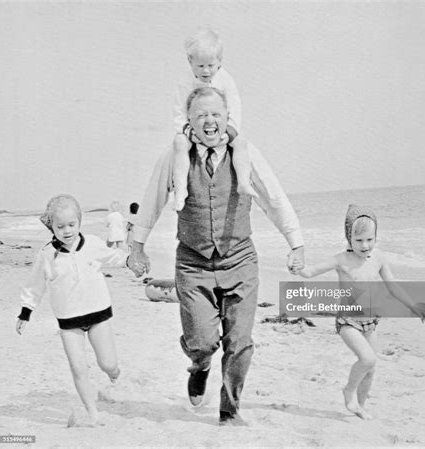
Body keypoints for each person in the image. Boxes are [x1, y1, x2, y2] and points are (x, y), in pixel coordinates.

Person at [128, 87, 305, 426]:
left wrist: (295, 242)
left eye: (215, 114)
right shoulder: (175, 155)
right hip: (193, 262)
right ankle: (199, 364)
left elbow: (273, 197)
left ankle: (229, 410)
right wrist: (137, 245)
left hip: (239, 258)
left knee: (240, 342)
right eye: (200, 115)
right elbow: (152, 198)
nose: (209, 121)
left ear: (227, 117)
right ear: (190, 120)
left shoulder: (247, 152)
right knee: (203, 342)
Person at [292, 204, 425, 420]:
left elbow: (393, 286)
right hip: (349, 322)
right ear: (348, 238)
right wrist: (297, 265)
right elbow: (309, 272)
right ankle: (348, 391)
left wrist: (413, 306)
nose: (365, 245)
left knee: (371, 369)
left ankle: (360, 407)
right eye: (358, 240)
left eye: (370, 239)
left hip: (371, 321)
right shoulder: (341, 260)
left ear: (376, 236)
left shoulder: (379, 258)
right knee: (367, 359)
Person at [15, 194, 129, 426]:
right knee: (78, 368)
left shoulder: (93, 244)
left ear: (79, 222)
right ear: (51, 227)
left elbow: (115, 256)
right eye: (60, 226)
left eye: (71, 225)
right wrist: (26, 311)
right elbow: (35, 285)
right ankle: (93, 414)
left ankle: (113, 373)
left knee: (107, 363)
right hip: (69, 322)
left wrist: (131, 261)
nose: (66, 230)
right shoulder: (47, 255)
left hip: (98, 314)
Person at [172, 28, 256, 212]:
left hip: (221, 131)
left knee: (241, 142)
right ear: (190, 61)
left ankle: (243, 182)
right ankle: (181, 190)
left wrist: (229, 134)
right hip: (195, 131)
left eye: (211, 65)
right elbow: (179, 114)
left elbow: (235, 108)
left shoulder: (226, 79)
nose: (206, 70)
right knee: (178, 143)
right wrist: (190, 134)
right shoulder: (184, 82)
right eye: (200, 66)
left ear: (219, 62)